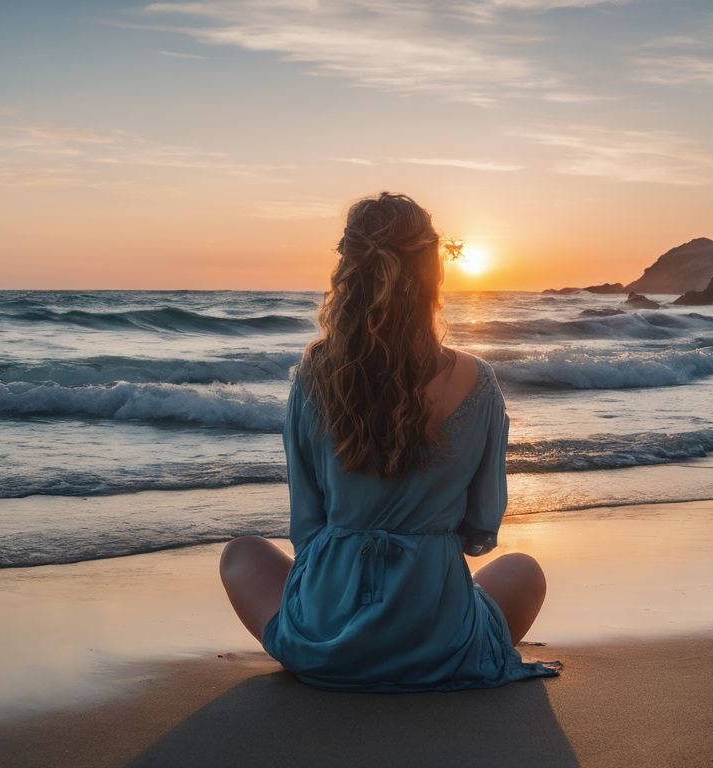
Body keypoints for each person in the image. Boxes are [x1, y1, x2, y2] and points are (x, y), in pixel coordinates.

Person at [219, 192, 557, 691]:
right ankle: (418, 647)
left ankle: (339, 650)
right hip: (440, 645)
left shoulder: (314, 373)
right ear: (432, 272)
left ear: (346, 272)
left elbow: (308, 527)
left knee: (241, 554)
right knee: (523, 571)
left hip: (327, 644)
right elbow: (480, 527)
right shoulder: (478, 381)